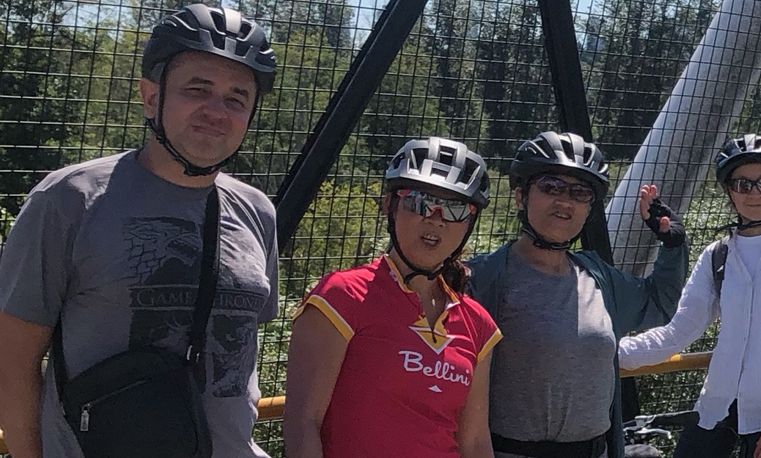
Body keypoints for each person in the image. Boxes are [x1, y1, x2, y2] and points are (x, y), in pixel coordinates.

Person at [0, 5, 278, 457]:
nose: (216, 111)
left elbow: (239, 362)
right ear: (151, 97)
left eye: (236, 98)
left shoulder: (257, 212)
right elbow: (12, 363)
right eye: (197, 88)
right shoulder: (69, 200)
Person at [464, 132, 691, 458]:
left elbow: (659, 303)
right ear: (520, 196)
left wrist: (671, 243)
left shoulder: (598, 277)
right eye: (550, 187)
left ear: (589, 209)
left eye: (580, 192)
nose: (565, 201)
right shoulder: (485, 278)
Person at [615, 134, 761, 458]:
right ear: (728, 191)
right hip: (716, 408)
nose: (755, 193)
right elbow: (677, 332)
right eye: (743, 184)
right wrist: (606, 351)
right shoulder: (716, 256)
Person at [285, 138, 501, 458]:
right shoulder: (341, 298)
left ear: (470, 222)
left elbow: (475, 442)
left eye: (456, 208)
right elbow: (304, 423)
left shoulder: (478, 324)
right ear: (390, 204)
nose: (436, 218)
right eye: (418, 201)